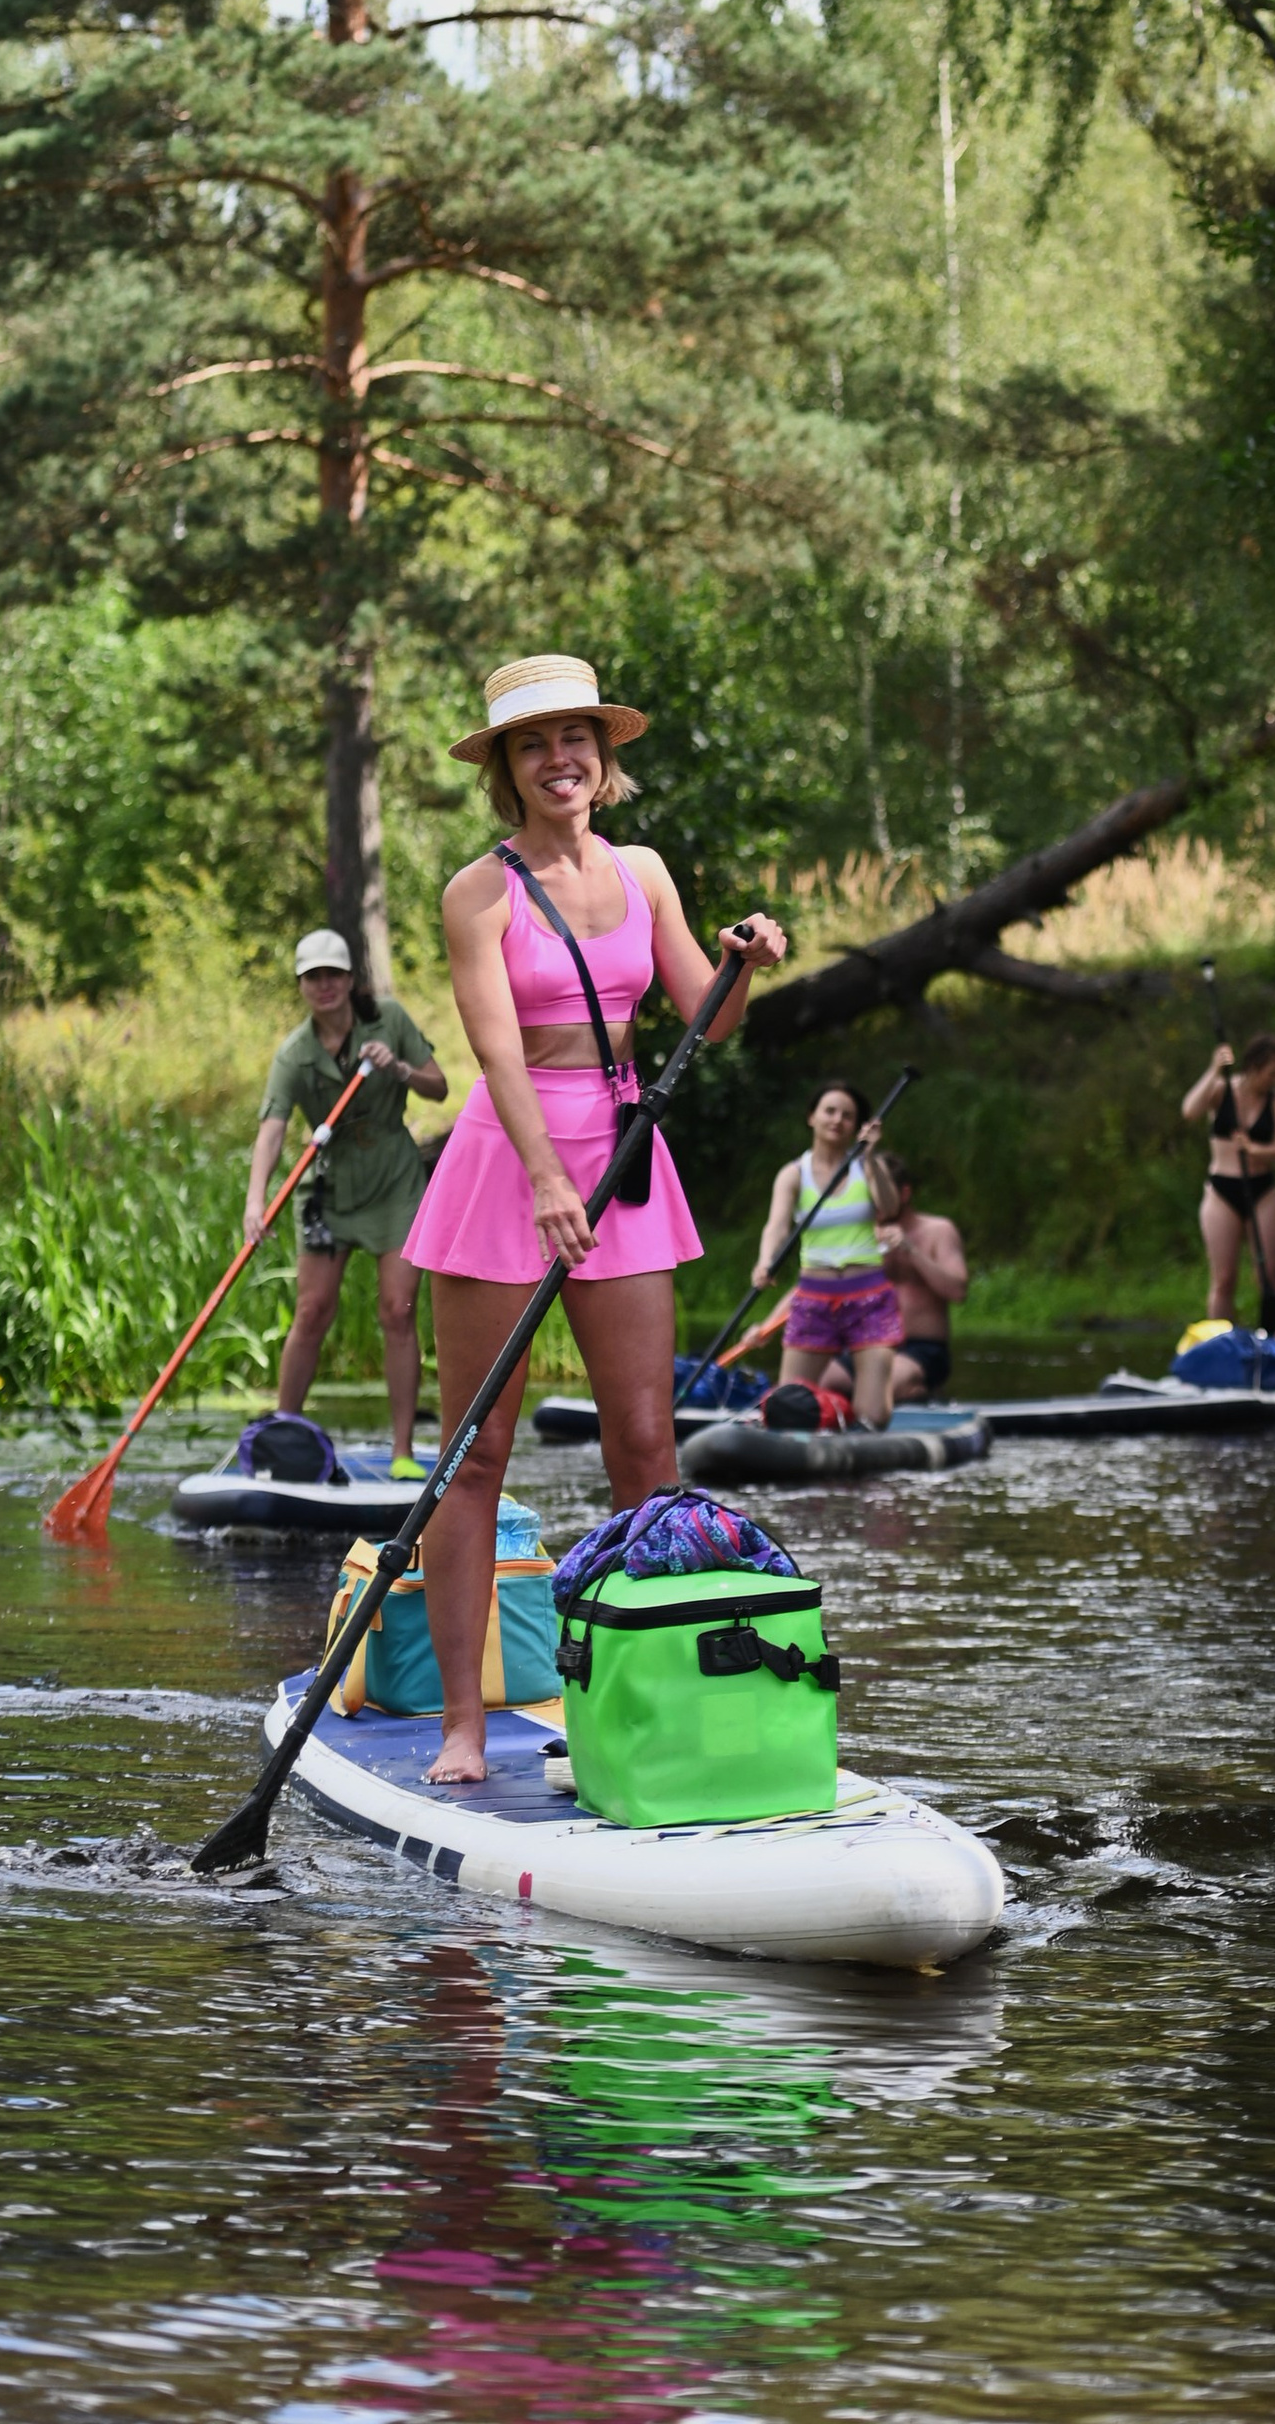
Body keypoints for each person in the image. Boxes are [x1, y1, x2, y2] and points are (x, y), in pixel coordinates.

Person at [410, 654, 786, 1787]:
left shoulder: (646, 871)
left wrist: (741, 963)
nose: (558, 758)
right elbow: (492, 1045)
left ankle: (637, 1697)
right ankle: (464, 1729)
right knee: (474, 1457)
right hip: (505, 1162)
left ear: (601, 754)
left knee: (648, 1448)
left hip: (621, 1155)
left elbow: (706, 1023)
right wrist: (540, 1176)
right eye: (534, 744)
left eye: (575, 737)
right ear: (508, 770)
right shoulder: (476, 891)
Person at [244, 928, 447, 1458]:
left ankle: (402, 1451)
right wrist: (254, 1202)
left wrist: (398, 1067)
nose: (324, 985)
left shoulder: (389, 1019)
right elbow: (271, 1128)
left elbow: (438, 1084)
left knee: (397, 1309)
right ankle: (282, 1438)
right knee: (312, 1311)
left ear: (350, 978)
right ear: (302, 985)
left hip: (395, 1181)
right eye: (313, 977)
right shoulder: (295, 1053)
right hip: (329, 1188)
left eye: (333, 974)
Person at [752, 1082, 901, 1427]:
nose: (838, 1120)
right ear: (812, 1117)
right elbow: (776, 1226)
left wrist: (870, 1157)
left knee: (873, 1417)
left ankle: (848, 1422)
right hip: (814, 1299)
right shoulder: (793, 1174)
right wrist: (765, 1260)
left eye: (847, 1116)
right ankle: (824, 1421)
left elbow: (889, 1208)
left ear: (857, 1126)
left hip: (869, 1299)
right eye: (830, 1111)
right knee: (786, 1404)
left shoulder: (867, 1166)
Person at [1180, 1023, 1275, 1332]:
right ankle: (1221, 1342)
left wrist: (1255, 1150)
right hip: (1222, 1189)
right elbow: (1190, 1111)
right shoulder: (1222, 1091)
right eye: (1270, 1073)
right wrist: (1214, 1069)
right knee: (1224, 1278)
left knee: (1269, 1274)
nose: (1274, 1080)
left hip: (1263, 1190)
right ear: (1254, 1066)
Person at [877, 1149, 969, 1406]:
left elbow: (958, 1291)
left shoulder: (938, 1231)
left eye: (882, 1191)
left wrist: (912, 1251)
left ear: (904, 1193)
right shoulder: (860, 1236)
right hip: (870, 1347)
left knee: (884, 1386)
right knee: (825, 1381)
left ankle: (919, 1396)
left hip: (923, 1349)